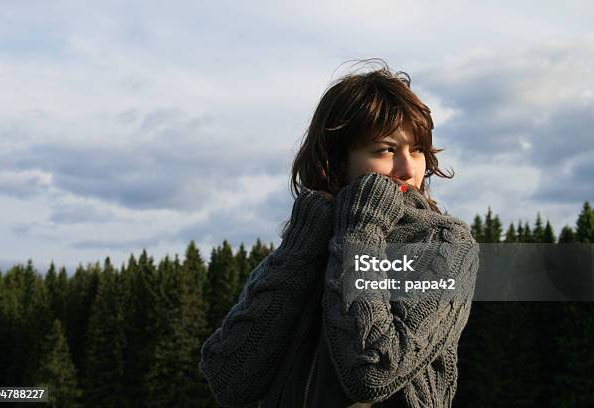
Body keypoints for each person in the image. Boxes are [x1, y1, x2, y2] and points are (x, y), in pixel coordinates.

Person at [199, 60, 479, 408]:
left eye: (417, 149)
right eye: (386, 150)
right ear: (336, 160)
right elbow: (229, 378)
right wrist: (302, 246)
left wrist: (364, 226)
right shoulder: (312, 239)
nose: (408, 169)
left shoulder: (445, 247)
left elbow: (373, 372)